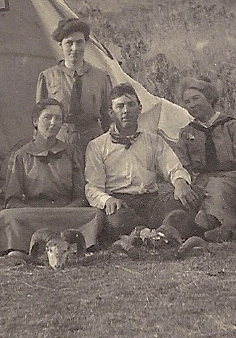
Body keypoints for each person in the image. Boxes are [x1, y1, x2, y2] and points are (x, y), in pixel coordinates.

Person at [85, 83, 203, 253]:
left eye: (131, 105)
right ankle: (156, 233)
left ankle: (154, 234)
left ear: (140, 108)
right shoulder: (97, 146)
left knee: (192, 194)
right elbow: (92, 188)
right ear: (111, 113)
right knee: (117, 220)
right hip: (121, 204)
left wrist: (179, 182)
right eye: (120, 106)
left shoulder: (153, 140)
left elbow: (174, 167)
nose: (126, 111)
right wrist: (108, 200)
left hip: (151, 203)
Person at [0, 99, 104, 257]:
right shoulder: (21, 155)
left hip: (66, 212)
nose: (53, 123)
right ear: (35, 121)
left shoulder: (71, 152)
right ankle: (26, 247)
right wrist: (32, 211)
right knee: (7, 216)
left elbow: (80, 196)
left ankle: (62, 245)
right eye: (47, 117)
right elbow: (12, 200)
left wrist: (65, 210)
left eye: (58, 118)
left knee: (95, 214)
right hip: (33, 212)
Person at [172, 76, 236, 243]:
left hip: (231, 180)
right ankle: (192, 226)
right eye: (187, 102)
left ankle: (211, 225)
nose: (192, 105)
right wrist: (184, 183)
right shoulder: (187, 133)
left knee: (216, 187)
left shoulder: (233, 126)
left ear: (209, 98)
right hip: (202, 182)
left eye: (196, 98)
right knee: (183, 197)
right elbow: (182, 164)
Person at [36, 18, 112, 158]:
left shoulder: (100, 77)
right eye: (69, 43)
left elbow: (108, 116)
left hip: (93, 140)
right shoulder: (48, 77)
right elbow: (40, 118)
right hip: (60, 140)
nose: (74, 48)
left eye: (79, 42)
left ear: (86, 43)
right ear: (60, 45)